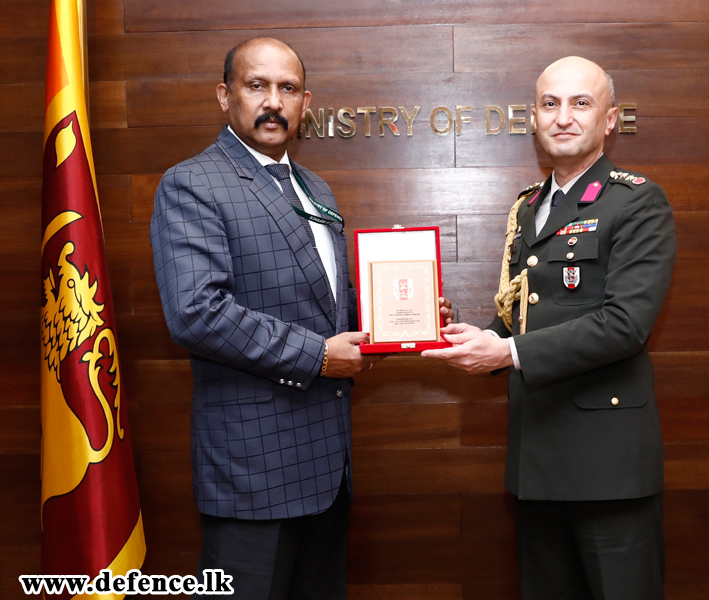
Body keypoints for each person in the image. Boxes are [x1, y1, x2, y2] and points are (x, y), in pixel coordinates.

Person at [150, 37, 450, 599]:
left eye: (287, 89)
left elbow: (328, 306)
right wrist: (317, 355)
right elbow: (197, 313)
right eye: (256, 86)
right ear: (225, 96)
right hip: (252, 473)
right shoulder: (192, 184)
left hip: (326, 470)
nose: (273, 102)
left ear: (305, 102)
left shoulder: (315, 188)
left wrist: (400, 316)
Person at [422, 56, 676, 600]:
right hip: (537, 462)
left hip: (609, 470)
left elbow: (625, 325)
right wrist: (456, 334)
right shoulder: (529, 208)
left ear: (609, 119)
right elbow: (518, 320)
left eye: (581, 103)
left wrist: (507, 352)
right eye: (550, 104)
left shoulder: (636, 202)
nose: (563, 117)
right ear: (533, 118)